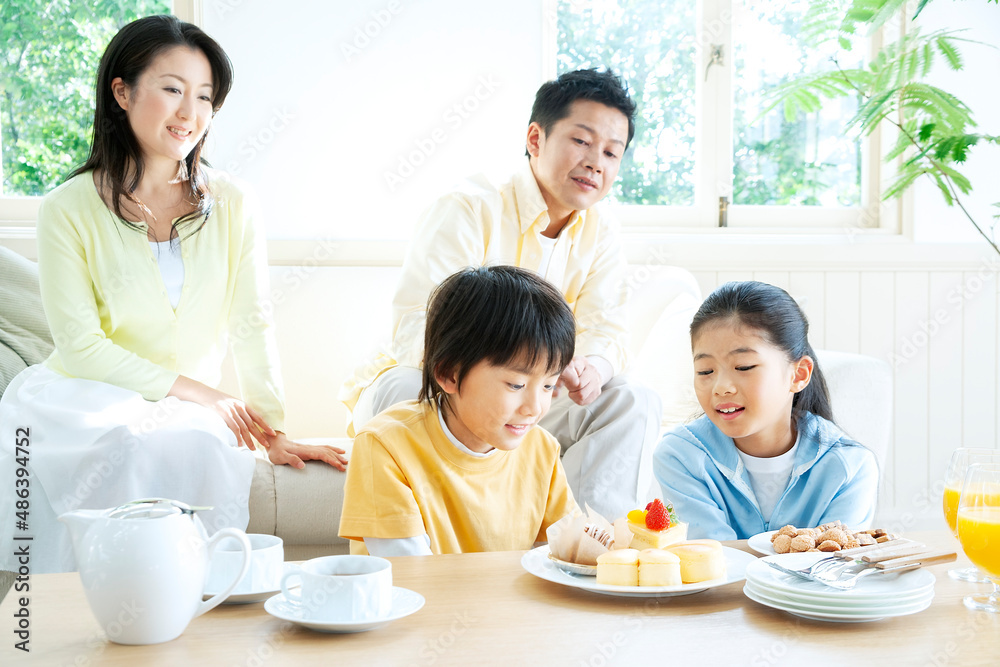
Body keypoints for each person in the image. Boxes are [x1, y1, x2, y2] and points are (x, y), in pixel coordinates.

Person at [0, 15, 345, 574]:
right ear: (121, 92)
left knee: (187, 444)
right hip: (84, 395)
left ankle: (181, 609)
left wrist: (274, 430)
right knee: (126, 442)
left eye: (205, 97)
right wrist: (208, 397)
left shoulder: (234, 201)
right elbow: (81, 346)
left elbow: (252, 321)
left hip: (180, 407)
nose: (191, 113)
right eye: (172, 90)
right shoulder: (66, 207)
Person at [340, 69, 661, 519]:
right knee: (404, 385)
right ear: (535, 137)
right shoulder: (470, 206)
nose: (596, 162)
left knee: (631, 397)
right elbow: (419, 324)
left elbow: (607, 326)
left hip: (532, 397)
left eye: (612, 152)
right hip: (454, 386)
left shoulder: (603, 230)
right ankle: (428, 547)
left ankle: (583, 551)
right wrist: (507, 368)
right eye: (582, 141)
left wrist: (594, 367)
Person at [339, 265, 580, 556]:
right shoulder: (385, 445)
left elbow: (567, 558)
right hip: (423, 598)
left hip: (507, 602)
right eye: (516, 385)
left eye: (549, 386)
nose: (534, 408)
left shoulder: (541, 448)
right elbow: (410, 577)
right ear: (449, 375)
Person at [653, 281, 879, 540]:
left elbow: (833, 567)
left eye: (744, 366)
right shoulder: (679, 455)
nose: (721, 387)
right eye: (705, 371)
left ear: (798, 374)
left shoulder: (850, 466)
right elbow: (711, 560)